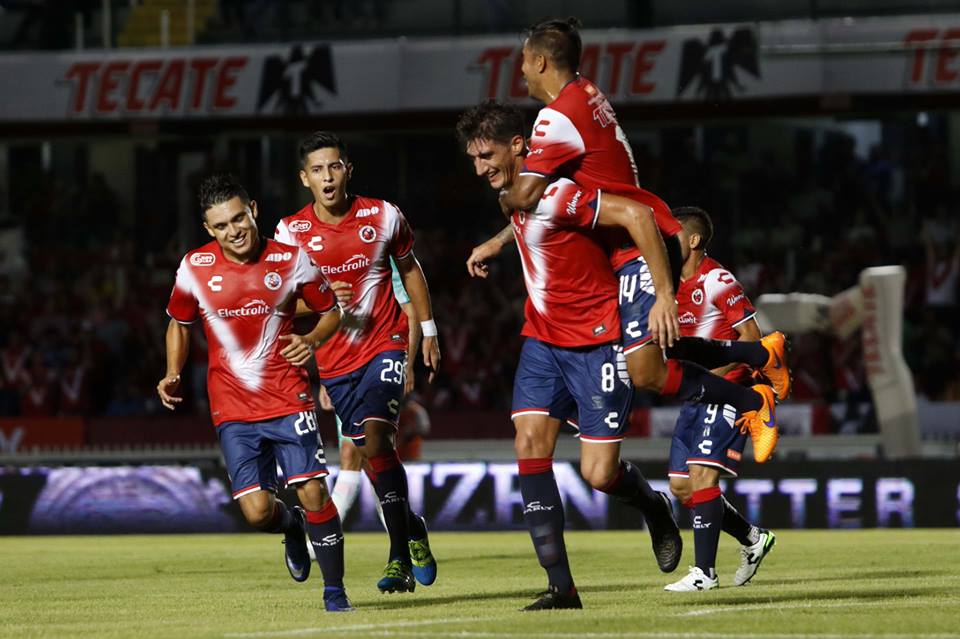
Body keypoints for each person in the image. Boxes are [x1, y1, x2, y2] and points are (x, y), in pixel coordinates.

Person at [466, 17, 789, 463]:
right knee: (663, 348)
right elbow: (544, 205)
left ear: (540, 60)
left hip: (639, 245)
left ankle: (755, 404)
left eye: (524, 61)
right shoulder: (585, 94)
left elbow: (523, 195)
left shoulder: (555, 117)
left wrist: (663, 295)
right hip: (639, 240)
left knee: (645, 371)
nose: (520, 70)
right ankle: (762, 354)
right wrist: (500, 241)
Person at [457, 99, 683, 610]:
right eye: (473, 159)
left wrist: (663, 293)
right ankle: (562, 588)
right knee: (528, 444)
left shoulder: (559, 193)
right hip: (542, 340)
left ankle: (654, 507)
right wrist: (497, 243)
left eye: (486, 154)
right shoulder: (512, 194)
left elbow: (637, 214)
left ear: (519, 146)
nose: (480, 168)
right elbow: (525, 221)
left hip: (598, 339)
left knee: (599, 474)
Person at [157, 173, 353, 612]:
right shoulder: (195, 267)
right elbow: (179, 322)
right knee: (258, 512)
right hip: (232, 407)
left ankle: (335, 592)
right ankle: (291, 527)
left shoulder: (291, 259)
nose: (235, 230)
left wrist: (313, 340)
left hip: (288, 396)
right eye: (222, 225)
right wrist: (172, 371)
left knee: (314, 491)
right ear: (209, 230)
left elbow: (330, 311)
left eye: (239, 218)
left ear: (254, 211)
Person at [275, 131, 440, 594]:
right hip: (334, 359)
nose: (328, 177)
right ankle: (412, 528)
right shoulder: (290, 233)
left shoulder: (383, 215)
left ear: (348, 169)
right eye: (318, 170)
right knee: (371, 454)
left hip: (384, 343)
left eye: (335, 167)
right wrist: (322, 305)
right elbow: (281, 301)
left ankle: (398, 560)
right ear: (304, 178)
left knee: (376, 435)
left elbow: (410, 270)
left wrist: (426, 331)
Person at [663, 207, 777, 592]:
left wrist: (721, 377)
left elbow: (752, 336)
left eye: (672, 233)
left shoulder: (716, 279)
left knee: (701, 476)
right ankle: (752, 538)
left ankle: (704, 573)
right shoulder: (668, 284)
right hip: (695, 392)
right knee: (681, 486)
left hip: (727, 389)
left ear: (693, 240)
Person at [326, 257, 419, 528]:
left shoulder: (380, 255)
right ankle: (406, 529)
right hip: (343, 368)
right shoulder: (324, 259)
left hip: (380, 361)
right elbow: (329, 319)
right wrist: (326, 375)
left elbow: (408, 311)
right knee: (367, 456)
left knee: (364, 451)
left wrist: (407, 364)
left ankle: (323, 539)